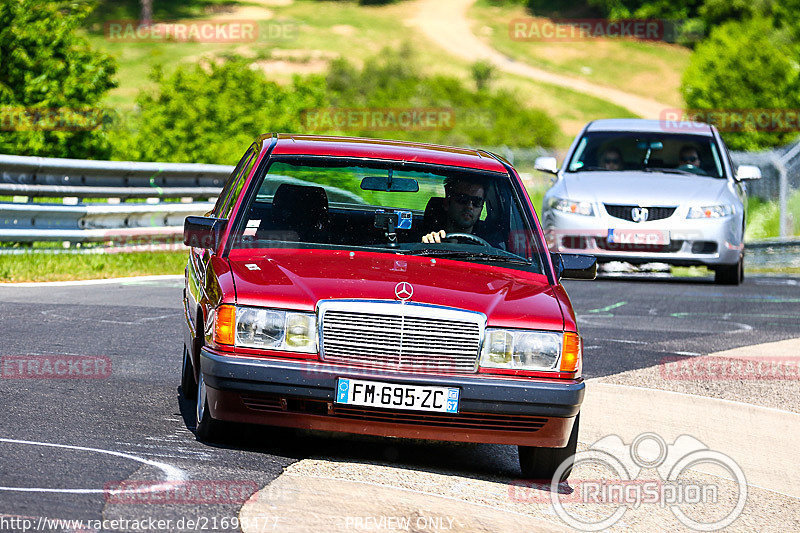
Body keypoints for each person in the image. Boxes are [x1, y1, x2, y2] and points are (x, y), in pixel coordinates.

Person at [422, 176, 487, 244]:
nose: (469, 206)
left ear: (481, 209)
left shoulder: (491, 247)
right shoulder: (431, 238)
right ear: (447, 203)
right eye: (462, 199)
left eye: (477, 202)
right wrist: (427, 245)